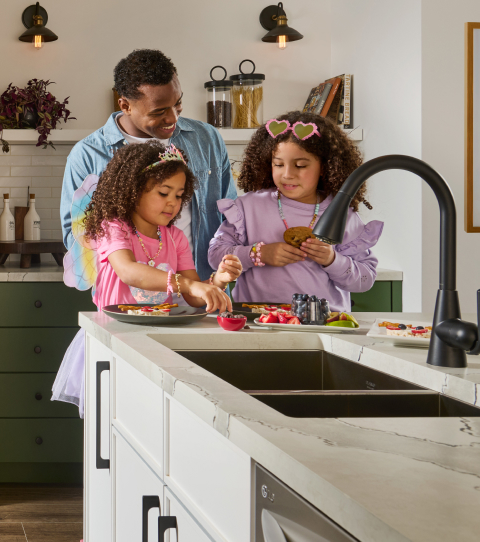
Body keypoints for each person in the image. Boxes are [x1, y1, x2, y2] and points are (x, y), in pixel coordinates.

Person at [52, 142, 241, 415]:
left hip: (156, 343)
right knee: (110, 422)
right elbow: (129, 271)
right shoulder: (113, 228)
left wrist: (218, 282)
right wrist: (186, 283)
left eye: (178, 195)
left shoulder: (175, 239)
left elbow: (192, 297)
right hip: (113, 340)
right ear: (133, 190)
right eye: (164, 192)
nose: (173, 203)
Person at [61, 49, 236, 279]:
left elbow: (230, 215)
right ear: (125, 105)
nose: (173, 117)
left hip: (203, 290)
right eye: (159, 111)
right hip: (126, 300)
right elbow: (75, 235)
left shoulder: (207, 139)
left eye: (177, 103)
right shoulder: (87, 155)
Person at [207, 112, 382, 312]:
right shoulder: (248, 207)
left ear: (324, 167)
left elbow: (366, 279)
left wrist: (332, 260)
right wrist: (258, 254)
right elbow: (215, 255)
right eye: (278, 164)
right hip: (258, 320)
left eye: (300, 165)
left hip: (324, 323)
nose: (288, 174)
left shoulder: (341, 214)